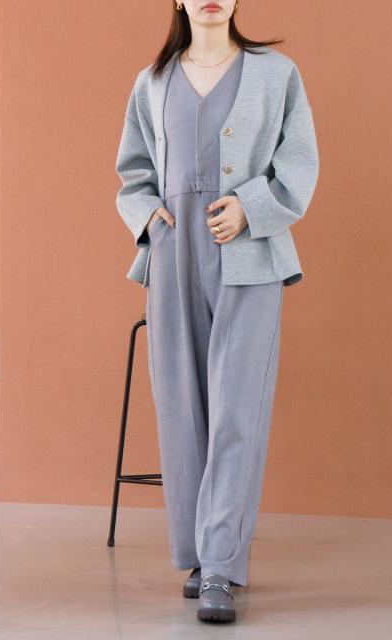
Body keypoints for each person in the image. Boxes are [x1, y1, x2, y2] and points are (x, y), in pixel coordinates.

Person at [115, 0, 319, 624]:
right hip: (174, 255)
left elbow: (298, 164)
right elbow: (133, 171)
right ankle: (199, 555)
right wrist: (148, 217)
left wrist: (251, 207)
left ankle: (220, 566)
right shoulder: (152, 81)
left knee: (237, 408)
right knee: (180, 406)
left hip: (251, 256)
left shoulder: (275, 73)